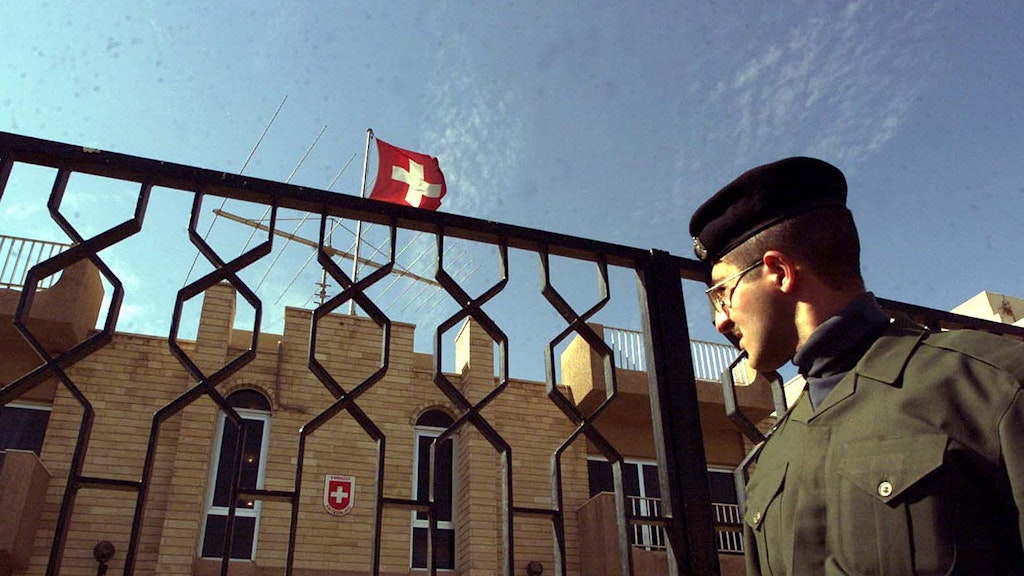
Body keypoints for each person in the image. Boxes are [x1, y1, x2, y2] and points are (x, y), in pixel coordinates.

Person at [688, 157, 1024, 575]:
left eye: (722, 294)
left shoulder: (993, 385)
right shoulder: (772, 459)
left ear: (778, 271)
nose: (720, 319)